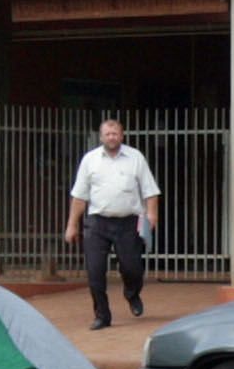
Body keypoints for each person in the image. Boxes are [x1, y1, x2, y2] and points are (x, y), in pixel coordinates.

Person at [61, 116, 160, 330]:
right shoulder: (90, 160)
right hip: (97, 223)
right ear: (101, 136)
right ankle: (102, 316)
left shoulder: (135, 157)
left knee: (132, 268)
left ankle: (132, 294)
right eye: (108, 134)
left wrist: (152, 215)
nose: (112, 137)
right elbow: (79, 196)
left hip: (128, 222)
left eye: (115, 134)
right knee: (95, 271)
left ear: (122, 136)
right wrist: (72, 224)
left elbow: (150, 191)